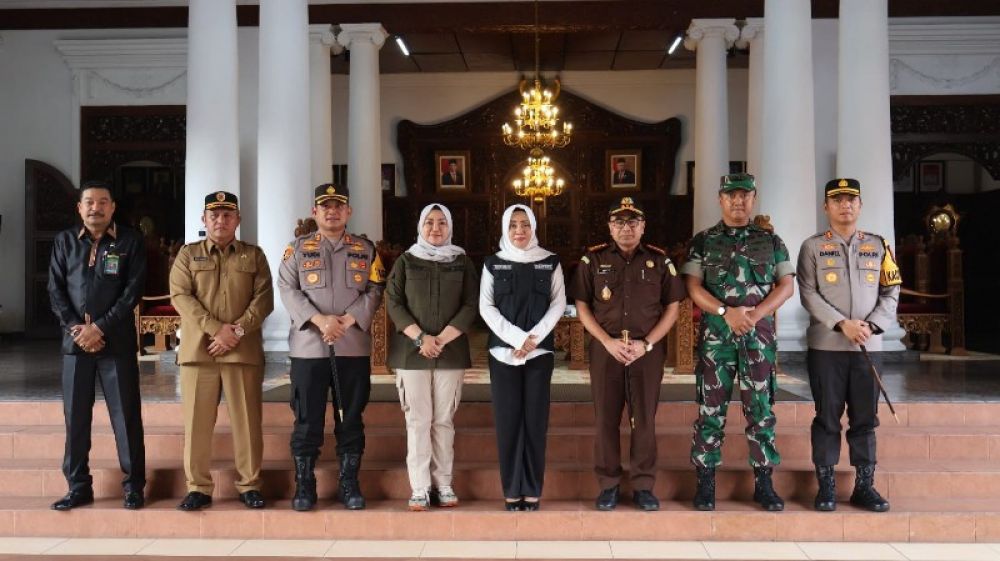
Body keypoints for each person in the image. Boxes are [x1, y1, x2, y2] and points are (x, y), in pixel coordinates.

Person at [681, 173, 795, 512]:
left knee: (760, 410)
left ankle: (764, 483)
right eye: (731, 195)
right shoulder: (703, 241)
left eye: (744, 195)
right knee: (710, 411)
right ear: (720, 199)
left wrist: (754, 314)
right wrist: (724, 311)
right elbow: (692, 287)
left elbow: (786, 285)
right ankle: (705, 483)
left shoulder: (771, 242)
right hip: (717, 339)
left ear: (753, 198)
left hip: (758, 339)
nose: (738, 201)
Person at [569, 197, 685, 512]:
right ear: (609, 226)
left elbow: (673, 307)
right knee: (605, 419)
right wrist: (606, 341)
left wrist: (646, 344)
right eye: (619, 222)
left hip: (646, 351)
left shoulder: (661, 262)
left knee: (644, 419)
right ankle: (608, 484)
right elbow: (582, 305)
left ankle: (644, 485)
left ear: (643, 226)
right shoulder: (592, 260)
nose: (626, 228)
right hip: (606, 350)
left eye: (633, 222)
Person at [278, 183, 386, 511]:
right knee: (307, 419)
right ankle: (305, 485)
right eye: (325, 206)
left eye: (338, 205)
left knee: (350, 418)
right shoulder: (296, 249)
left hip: (351, 347)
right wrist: (320, 320)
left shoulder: (365, 250)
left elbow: (376, 287)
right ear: (315, 211)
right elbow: (287, 287)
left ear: (348, 211)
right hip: (309, 348)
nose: (332, 211)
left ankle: (349, 483)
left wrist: (348, 321)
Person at [797, 178, 899, 513]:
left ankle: (864, 487)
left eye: (851, 200)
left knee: (865, 419)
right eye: (838, 200)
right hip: (827, 348)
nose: (845, 205)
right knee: (827, 417)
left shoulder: (879, 245)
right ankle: (826, 486)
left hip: (868, 347)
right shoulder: (812, 247)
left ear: (860, 205)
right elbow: (808, 293)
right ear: (826, 207)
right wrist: (842, 323)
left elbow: (891, 291)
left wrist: (870, 325)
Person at [169, 191, 274, 511]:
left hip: (242, 351)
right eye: (214, 215)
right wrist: (217, 329)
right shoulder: (188, 255)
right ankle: (198, 486)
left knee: (247, 422)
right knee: (197, 424)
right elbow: (180, 296)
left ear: (238, 220)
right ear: (204, 219)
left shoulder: (253, 255)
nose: (221, 220)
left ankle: (249, 484)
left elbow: (264, 299)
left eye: (228, 215)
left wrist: (236, 331)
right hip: (199, 352)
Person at [47, 180, 147, 511]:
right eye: (89, 202)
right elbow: (56, 291)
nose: (96, 208)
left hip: (115, 343)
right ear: (79, 208)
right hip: (75, 346)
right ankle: (78, 486)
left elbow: (131, 292)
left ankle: (133, 486)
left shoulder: (130, 241)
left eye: (103, 202)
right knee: (76, 419)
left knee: (126, 416)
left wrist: (100, 327)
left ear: (113, 207)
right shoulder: (64, 242)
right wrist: (79, 330)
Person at [385, 204, 478, 511]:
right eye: (429, 223)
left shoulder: (462, 262)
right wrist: (420, 338)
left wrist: (441, 339)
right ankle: (420, 487)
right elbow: (394, 302)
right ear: (420, 227)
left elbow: (470, 304)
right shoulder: (406, 261)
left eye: (441, 223)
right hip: (412, 354)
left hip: (450, 352)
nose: (435, 229)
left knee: (443, 421)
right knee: (417, 420)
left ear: (450, 227)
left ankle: (444, 483)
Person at [481, 204, 566, 511]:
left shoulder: (550, 262)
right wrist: (518, 339)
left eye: (525, 225)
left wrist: (531, 341)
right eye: (514, 225)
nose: (519, 231)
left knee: (534, 421)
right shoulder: (493, 263)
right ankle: (511, 490)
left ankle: (532, 490)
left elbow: (558, 304)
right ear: (505, 228)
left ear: (533, 228)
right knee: (507, 422)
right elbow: (486, 308)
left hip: (539, 354)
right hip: (503, 353)